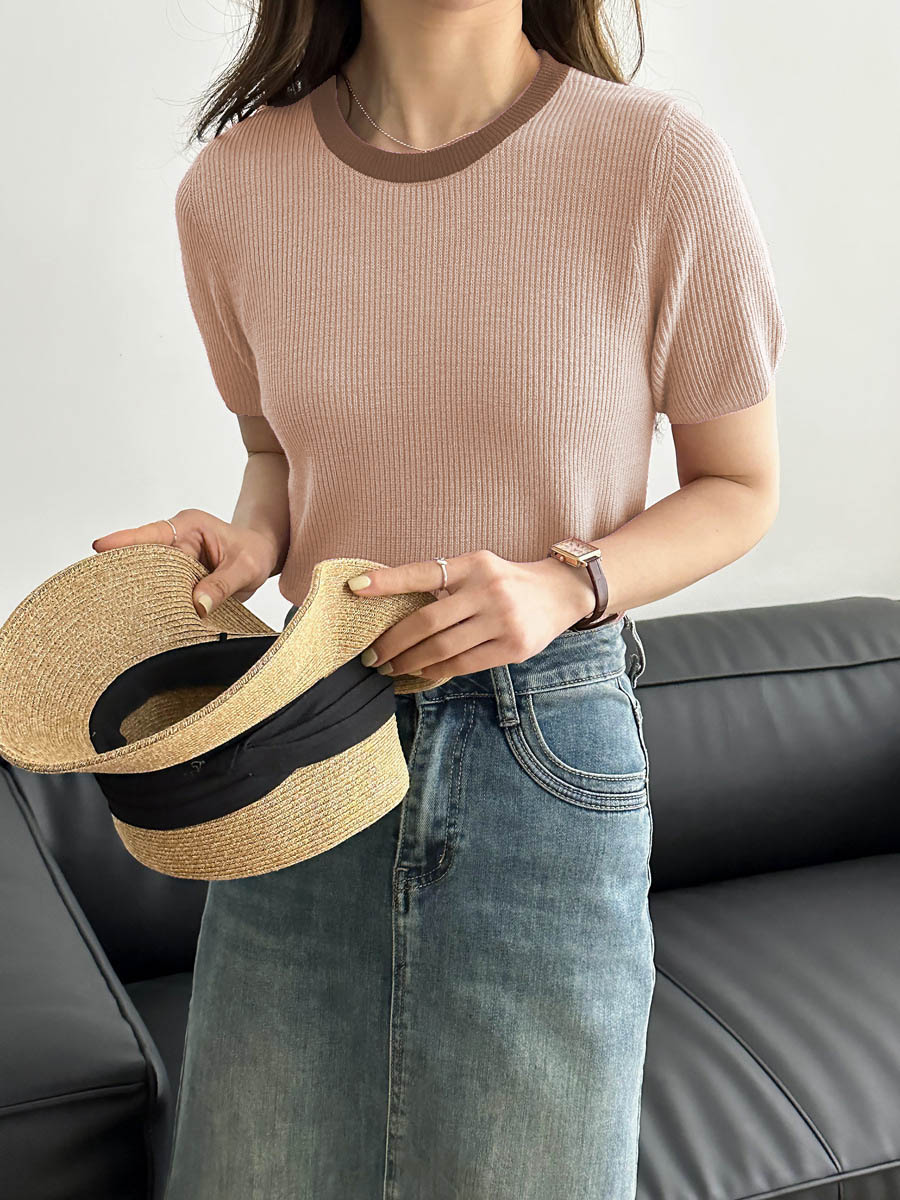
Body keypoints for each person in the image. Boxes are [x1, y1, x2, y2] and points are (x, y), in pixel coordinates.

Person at [94, 4, 786, 1197]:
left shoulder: (656, 162)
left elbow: (740, 486)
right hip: (303, 745)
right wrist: (253, 542)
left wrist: (568, 585)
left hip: (547, 751)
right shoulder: (233, 190)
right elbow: (276, 452)